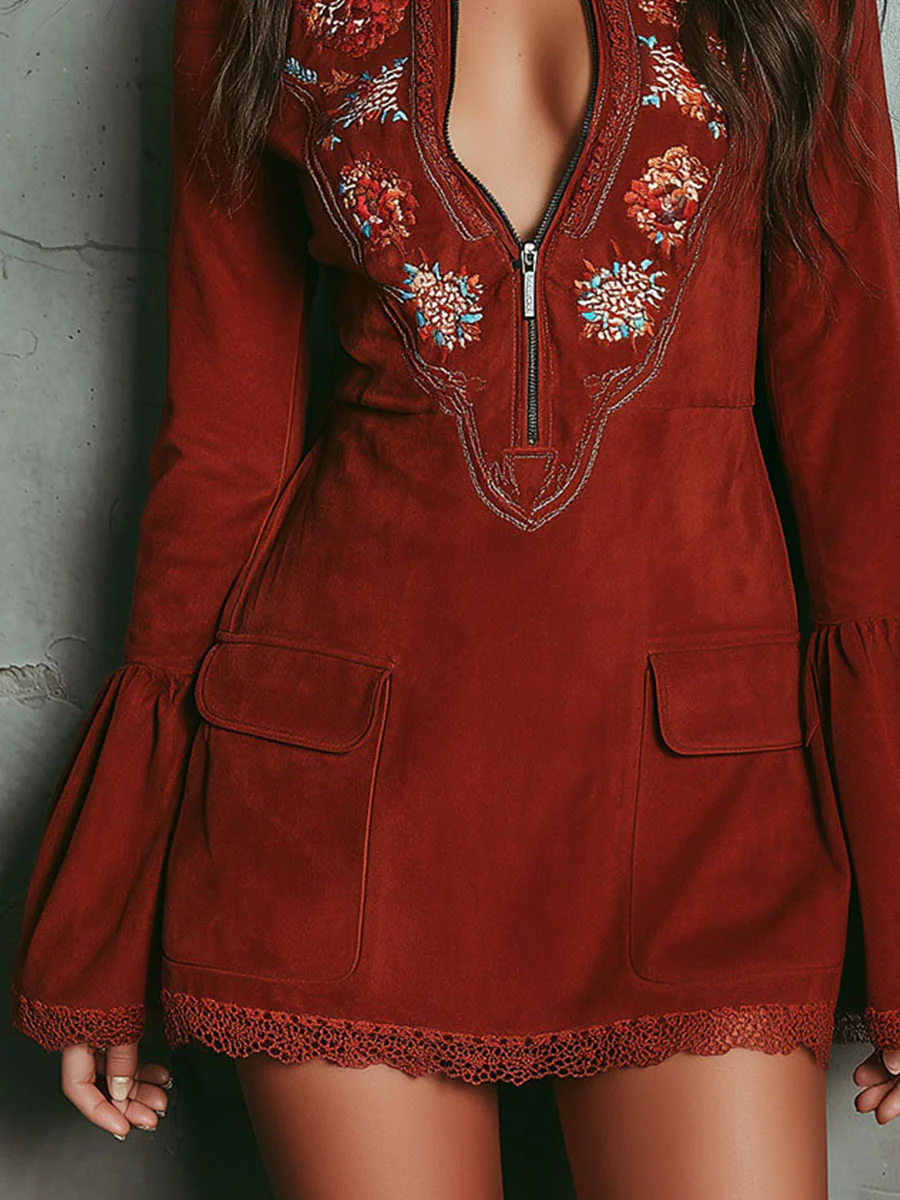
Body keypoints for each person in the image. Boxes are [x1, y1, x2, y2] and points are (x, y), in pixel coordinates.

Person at [9, 0, 900, 1194]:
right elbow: (222, 450)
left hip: (702, 802)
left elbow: (861, 439)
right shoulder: (260, 10)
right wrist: (107, 901)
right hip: (343, 800)